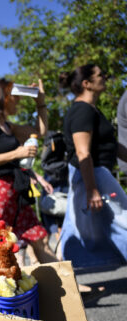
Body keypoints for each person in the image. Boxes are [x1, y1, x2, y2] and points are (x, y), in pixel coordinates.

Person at [0, 78, 56, 260]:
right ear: (3, 98)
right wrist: (17, 153)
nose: (18, 101)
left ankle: (65, 285)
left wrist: (40, 103)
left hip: (14, 191)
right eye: (14, 97)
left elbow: (39, 132)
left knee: (38, 237)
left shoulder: (8, 126)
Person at [58, 64, 127, 269]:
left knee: (103, 227)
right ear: (87, 84)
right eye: (100, 74)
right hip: (92, 176)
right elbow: (82, 152)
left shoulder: (92, 110)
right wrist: (92, 189)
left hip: (98, 175)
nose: (104, 77)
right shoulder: (82, 111)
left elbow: (112, 146)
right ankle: (66, 277)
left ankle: (69, 277)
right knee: (120, 223)